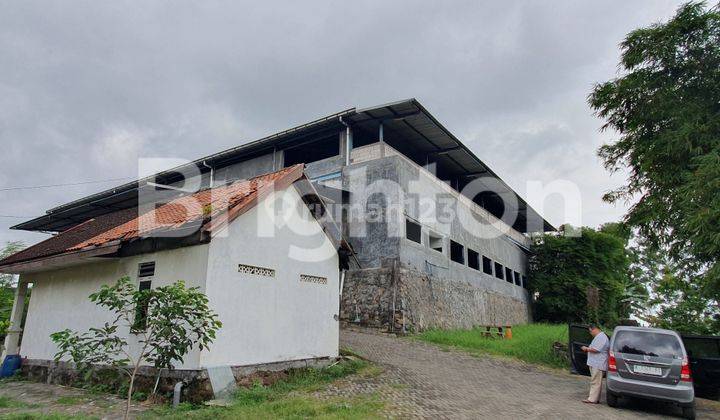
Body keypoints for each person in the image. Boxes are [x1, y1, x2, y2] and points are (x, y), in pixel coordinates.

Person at [581, 324, 609, 404]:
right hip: (595, 363)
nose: (590, 333)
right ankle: (595, 398)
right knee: (595, 381)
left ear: (594, 329)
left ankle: (592, 399)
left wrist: (586, 349)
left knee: (595, 381)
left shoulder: (601, 337)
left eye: (590, 331)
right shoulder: (599, 337)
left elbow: (596, 349)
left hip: (598, 363)